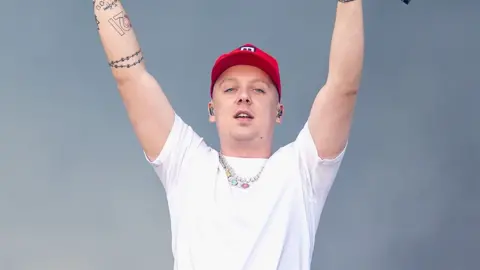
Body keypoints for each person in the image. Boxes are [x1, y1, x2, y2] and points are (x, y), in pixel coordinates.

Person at [93, 0, 363, 269]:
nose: (243, 97)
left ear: (279, 112)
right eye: (230, 89)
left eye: (258, 90)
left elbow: (342, 86)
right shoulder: (186, 163)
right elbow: (131, 77)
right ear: (212, 109)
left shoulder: (303, 170)